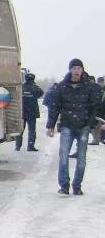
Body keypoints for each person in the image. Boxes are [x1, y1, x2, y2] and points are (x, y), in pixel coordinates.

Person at [46, 58, 101, 196]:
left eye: (79, 68)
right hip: (67, 126)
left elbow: (95, 107)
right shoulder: (62, 87)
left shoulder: (89, 87)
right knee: (63, 156)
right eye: (74, 68)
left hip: (83, 126)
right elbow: (55, 107)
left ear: (82, 70)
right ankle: (64, 186)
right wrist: (50, 125)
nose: (77, 71)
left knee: (81, 159)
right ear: (70, 70)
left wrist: (90, 124)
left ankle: (77, 186)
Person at [15, 72, 43, 151]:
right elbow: (41, 93)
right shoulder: (36, 88)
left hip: (22, 111)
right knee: (32, 130)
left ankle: (18, 146)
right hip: (32, 112)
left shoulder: (21, 87)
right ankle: (30, 146)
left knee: (20, 130)